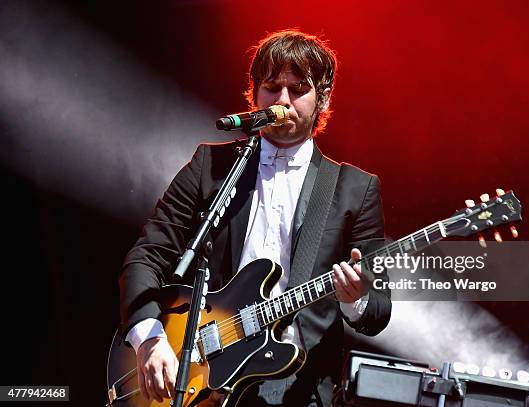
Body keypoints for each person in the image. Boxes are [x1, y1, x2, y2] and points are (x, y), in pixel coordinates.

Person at [119, 29, 392, 406]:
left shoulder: (354, 189)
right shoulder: (210, 167)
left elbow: (378, 308)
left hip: (300, 388)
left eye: (298, 89)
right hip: (204, 379)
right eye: (271, 86)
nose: (282, 99)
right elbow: (147, 256)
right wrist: (149, 339)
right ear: (254, 94)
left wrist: (355, 298)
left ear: (322, 100)